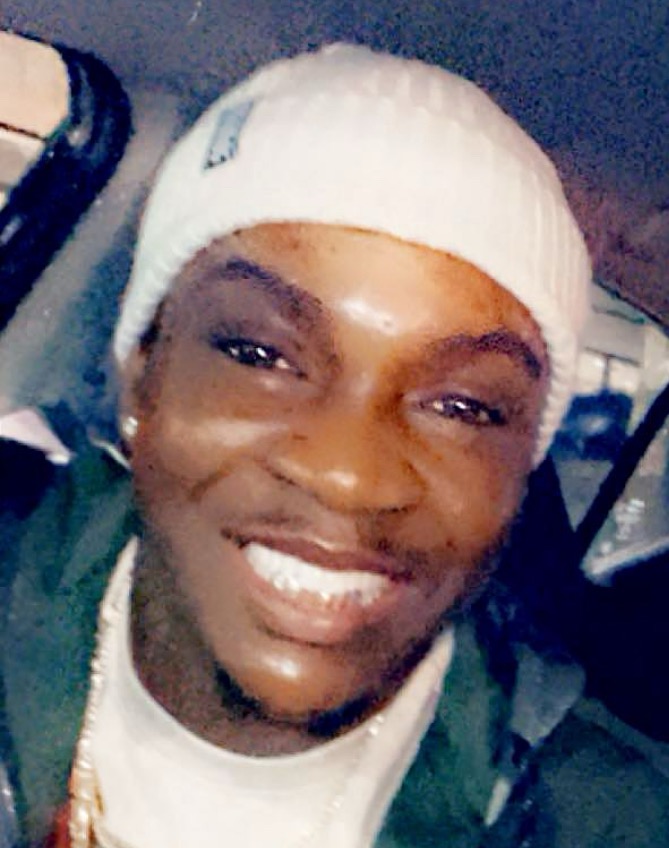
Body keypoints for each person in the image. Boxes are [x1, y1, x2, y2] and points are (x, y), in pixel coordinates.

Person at [1, 43, 668, 848]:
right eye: (259, 355)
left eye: (462, 406)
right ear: (142, 376)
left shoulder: (609, 822)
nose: (348, 474)